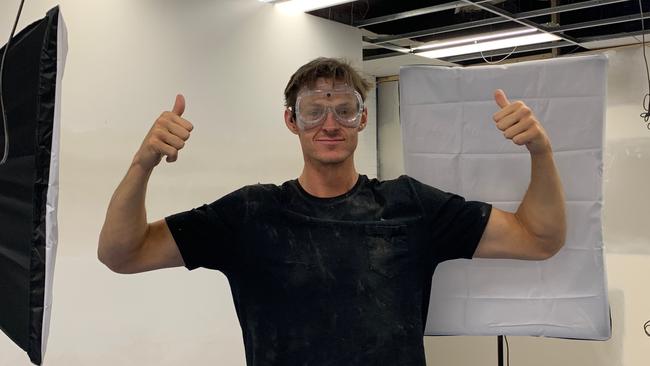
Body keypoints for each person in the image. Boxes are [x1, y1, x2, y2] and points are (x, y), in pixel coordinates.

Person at [98, 57, 566, 365]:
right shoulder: (249, 214)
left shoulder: (412, 206)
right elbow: (122, 253)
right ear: (291, 120)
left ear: (362, 118)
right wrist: (143, 164)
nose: (329, 124)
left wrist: (540, 152)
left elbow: (539, 238)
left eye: (345, 110)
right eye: (313, 111)